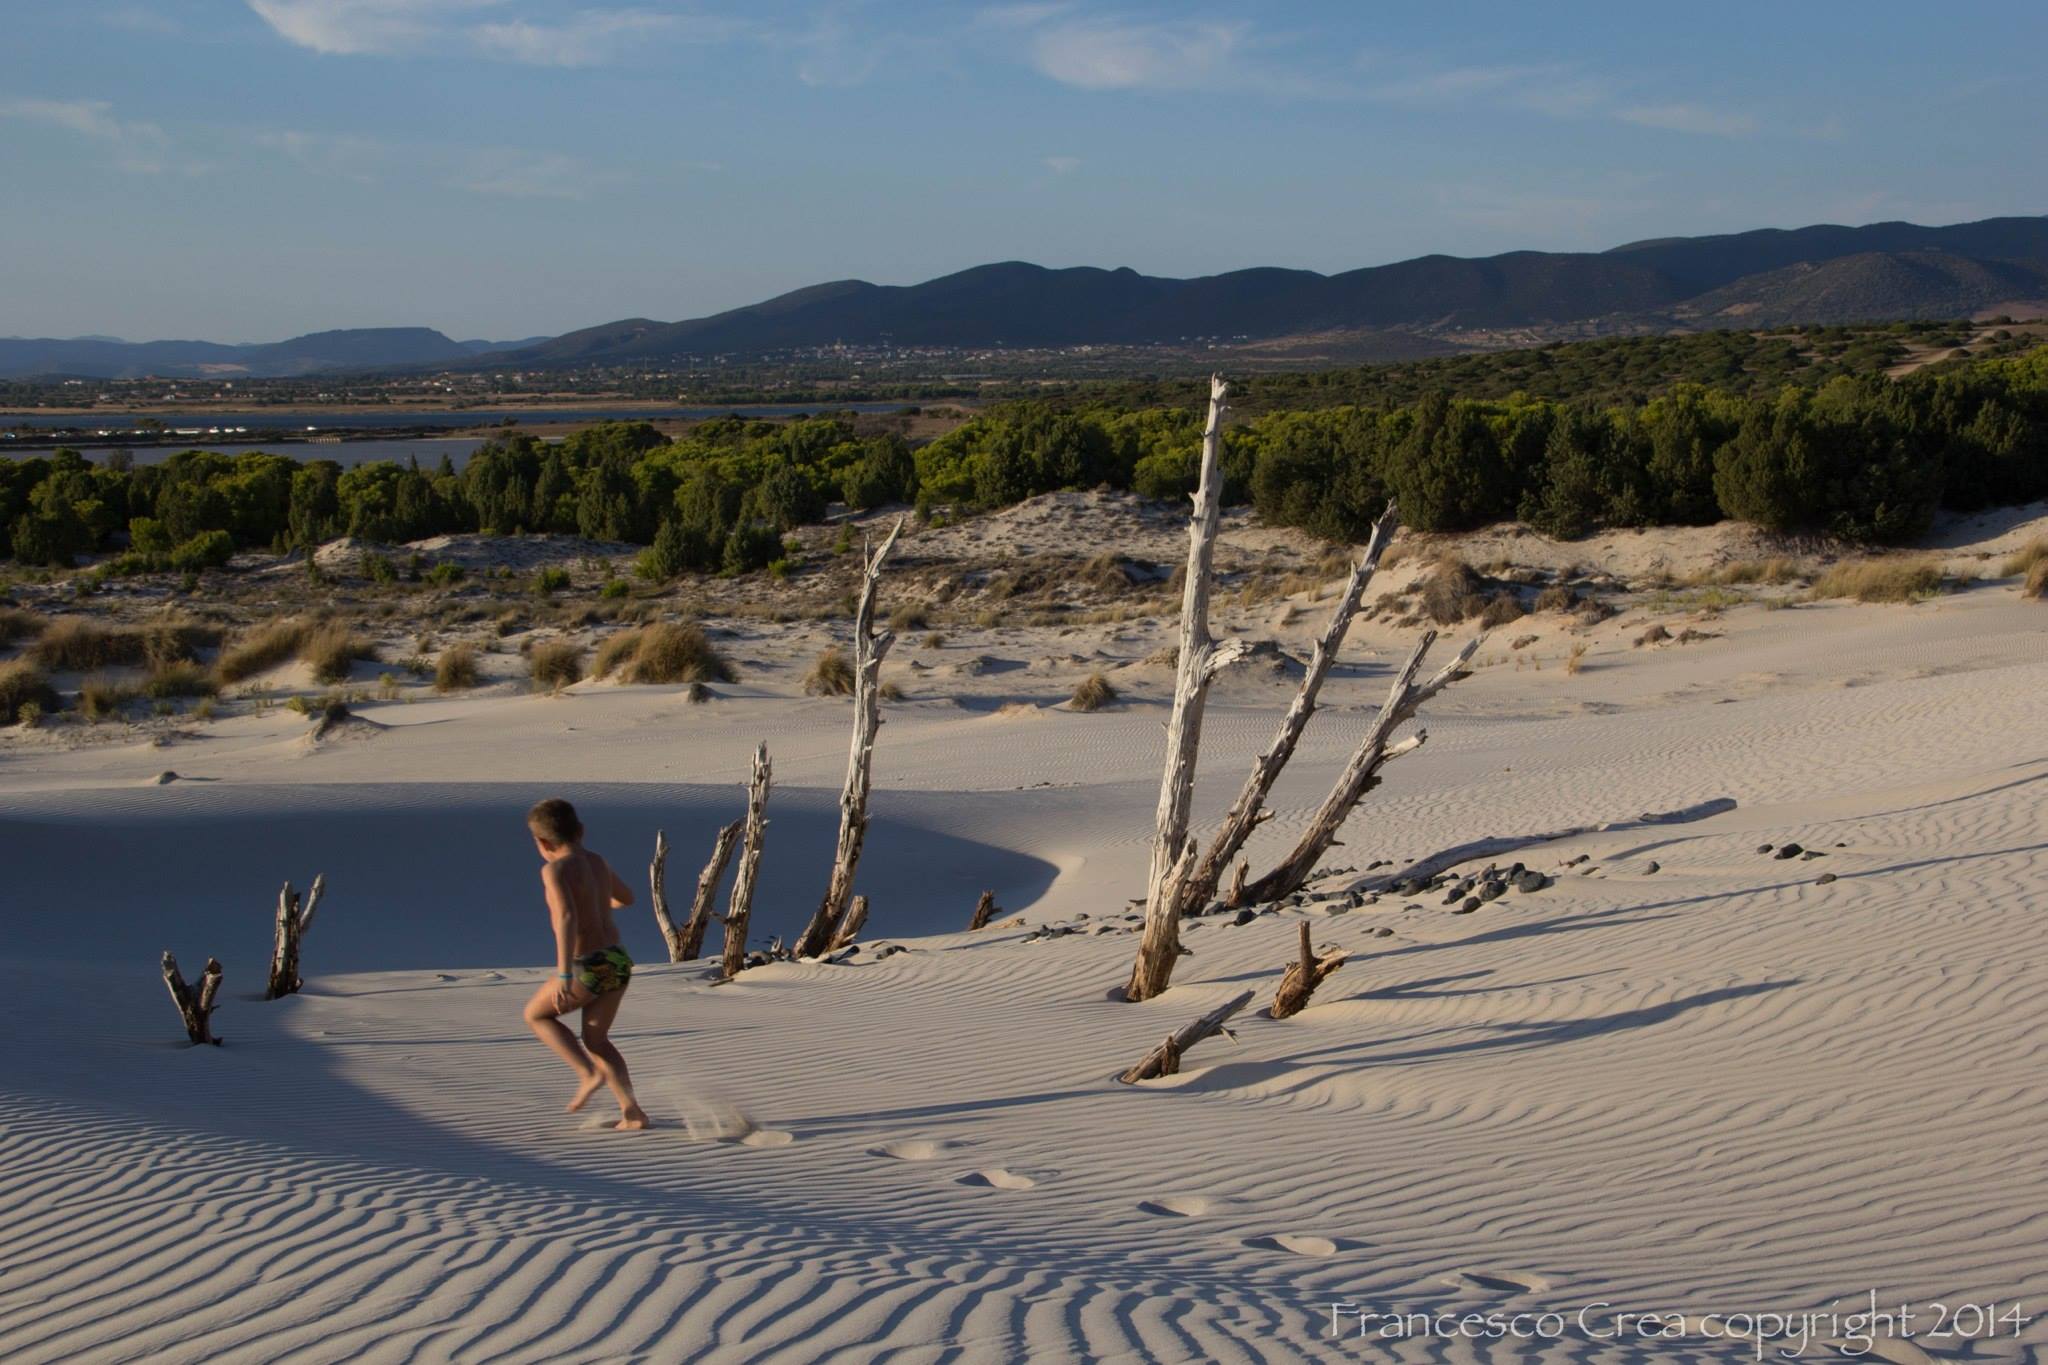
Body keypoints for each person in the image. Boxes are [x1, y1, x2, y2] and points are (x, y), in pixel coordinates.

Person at [520, 797, 650, 1130]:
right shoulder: (597, 861)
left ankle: (587, 1072)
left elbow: (564, 917)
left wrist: (564, 973)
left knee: (536, 1015)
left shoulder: (554, 869)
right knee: (597, 1040)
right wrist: (596, 901)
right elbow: (627, 898)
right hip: (618, 960)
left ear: (543, 842)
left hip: (587, 965)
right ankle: (632, 1112)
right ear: (581, 830)